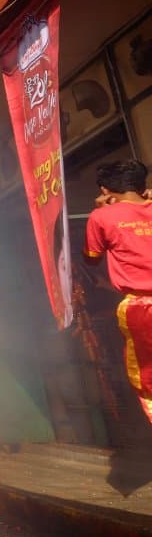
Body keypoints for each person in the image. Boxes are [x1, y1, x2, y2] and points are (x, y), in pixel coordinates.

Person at [84, 159, 152, 424]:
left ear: (105, 190)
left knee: (146, 379)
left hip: (141, 309)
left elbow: (91, 258)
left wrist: (102, 210)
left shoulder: (101, 217)